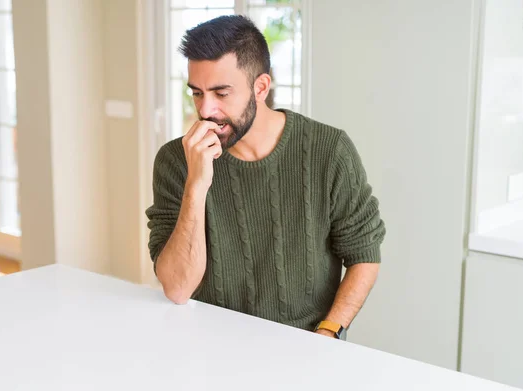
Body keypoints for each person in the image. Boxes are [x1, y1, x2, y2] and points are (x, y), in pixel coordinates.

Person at [145, 15, 386, 340]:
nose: (206, 110)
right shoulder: (177, 161)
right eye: (197, 93)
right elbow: (177, 288)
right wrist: (196, 185)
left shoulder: (329, 151)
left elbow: (364, 255)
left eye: (221, 93)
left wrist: (328, 333)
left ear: (260, 87)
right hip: (208, 348)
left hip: (305, 347)